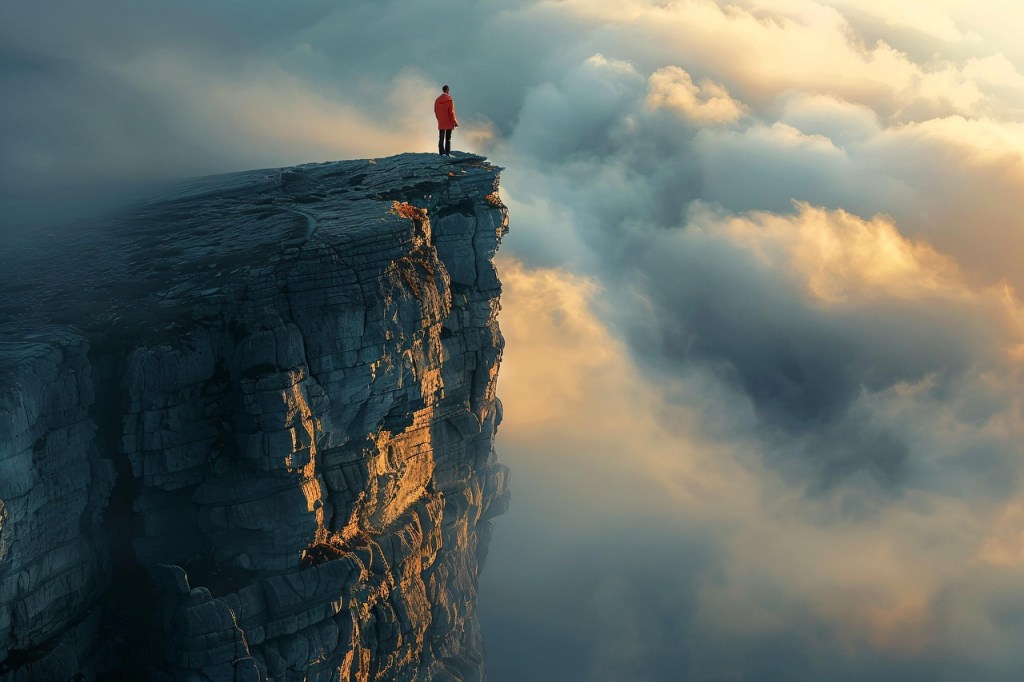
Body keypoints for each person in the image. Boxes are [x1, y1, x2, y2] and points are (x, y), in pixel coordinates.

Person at [434, 85, 459, 157]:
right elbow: (451, 113)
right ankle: (447, 153)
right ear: (447, 90)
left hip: (441, 122)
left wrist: (439, 119)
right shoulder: (449, 100)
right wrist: (454, 122)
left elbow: (435, 111)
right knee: (448, 139)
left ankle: (441, 153)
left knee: (441, 138)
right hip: (448, 122)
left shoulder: (437, 100)